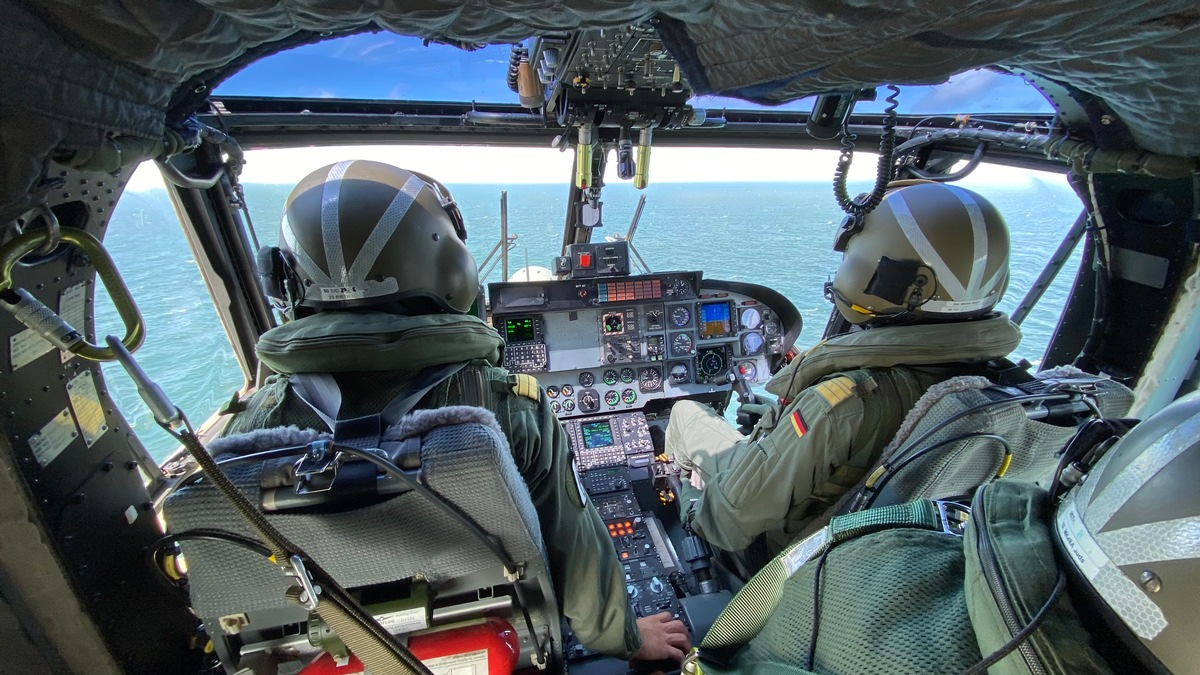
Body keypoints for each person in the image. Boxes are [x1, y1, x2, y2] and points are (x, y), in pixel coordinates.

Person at [225, 160, 690, 661]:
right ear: (454, 270)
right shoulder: (506, 408)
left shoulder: (242, 443)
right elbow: (573, 547)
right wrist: (625, 639)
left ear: (286, 284)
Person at [686, 390, 1200, 675]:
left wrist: (693, 515)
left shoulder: (859, 557)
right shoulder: (1067, 393)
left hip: (788, 542)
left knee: (686, 416)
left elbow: (724, 643)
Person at [666, 180, 1022, 567]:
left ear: (907, 284)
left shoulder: (842, 401)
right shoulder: (1010, 391)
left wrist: (684, 496)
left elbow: (727, 520)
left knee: (685, 414)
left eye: (851, 256)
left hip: (781, 557)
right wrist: (782, 424)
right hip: (881, 554)